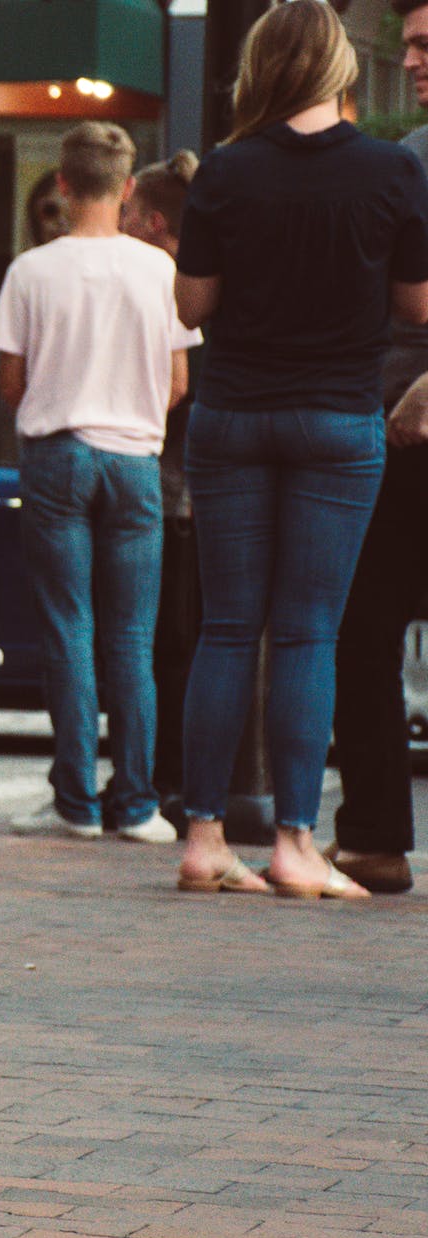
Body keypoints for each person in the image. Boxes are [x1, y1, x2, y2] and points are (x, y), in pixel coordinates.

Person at [173, 0, 428, 898]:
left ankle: (203, 837)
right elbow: (418, 307)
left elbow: (191, 308)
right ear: (338, 68)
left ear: (261, 67)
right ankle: (293, 843)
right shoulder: (393, 171)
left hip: (234, 413)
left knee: (228, 626)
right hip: (335, 421)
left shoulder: (226, 170)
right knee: (310, 631)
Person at [0, 121, 195, 846]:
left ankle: (75, 799)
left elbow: (8, 381)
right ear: (129, 186)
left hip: (58, 454)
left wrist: (58, 405)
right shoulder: (159, 272)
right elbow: (178, 381)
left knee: (68, 629)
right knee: (131, 639)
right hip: (136, 462)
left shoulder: (31, 271)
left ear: (64, 184)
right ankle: (135, 804)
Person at [328, 0, 428, 896]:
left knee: (363, 626)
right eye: (408, 46)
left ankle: (373, 835)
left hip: (412, 419)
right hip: (389, 428)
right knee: (363, 629)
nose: (414, 60)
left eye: (427, 46)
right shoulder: (413, 159)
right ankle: (373, 836)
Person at [119, 152, 201, 819]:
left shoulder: (177, 287)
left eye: (124, 214)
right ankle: (167, 782)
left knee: (164, 646)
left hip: (175, 490)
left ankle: (160, 781)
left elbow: (180, 390)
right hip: (182, 491)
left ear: (150, 222)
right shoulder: (187, 284)